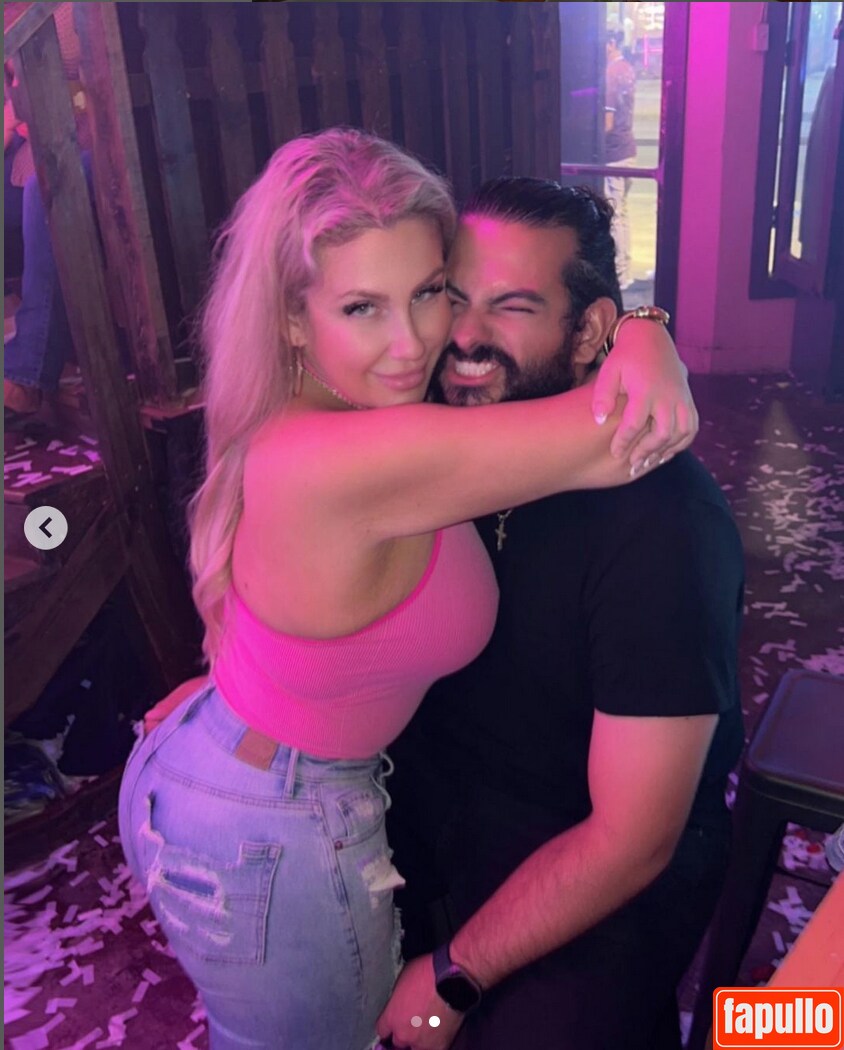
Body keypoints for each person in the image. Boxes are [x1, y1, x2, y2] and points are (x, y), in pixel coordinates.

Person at [118, 128, 696, 1050]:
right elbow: (631, 428)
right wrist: (647, 325)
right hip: (274, 826)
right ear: (292, 319)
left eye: (429, 292)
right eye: (362, 307)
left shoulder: (348, 397)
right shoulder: (353, 455)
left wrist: (257, 686)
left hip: (236, 765)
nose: (417, 341)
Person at [379, 178, 745, 1050]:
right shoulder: (433, 435)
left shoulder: (665, 523)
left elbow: (632, 839)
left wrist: (453, 976)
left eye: (512, 307)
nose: (465, 336)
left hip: (595, 863)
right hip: (439, 814)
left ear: (587, 333)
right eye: (454, 298)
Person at [4, 4, 90, 424]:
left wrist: (17, 112)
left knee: (47, 188)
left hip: (89, 139)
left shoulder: (67, 12)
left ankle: (27, 375)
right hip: (35, 144)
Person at [604, 27, 637, 291]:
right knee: (622, 214)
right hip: (628, 149)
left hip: (614, 152)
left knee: (614, 215)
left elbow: (607, 122)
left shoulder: (610, 73)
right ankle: (626, 269)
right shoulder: (627, 68)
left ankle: (620, 275)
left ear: (611, 43)